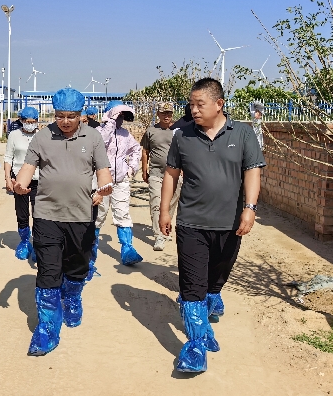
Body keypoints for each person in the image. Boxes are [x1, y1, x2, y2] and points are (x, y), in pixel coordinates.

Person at [159, 78, 266, 373]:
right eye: (191, 104)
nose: (193, 110)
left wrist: (250, 209)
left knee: (216, 280)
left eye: (199, 104)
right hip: (191, 223)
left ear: (219, 104)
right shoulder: (182, 136)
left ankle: (207, 315)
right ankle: (195, 348)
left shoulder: (243, 133)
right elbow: (171, 174)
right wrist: (164, 211)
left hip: (229, 223)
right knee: (192, 286)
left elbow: (252, 172)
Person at [13, 88, 113, 356]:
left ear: (81, 115)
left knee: (78, 265)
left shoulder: (93, 137)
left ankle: (72, 297)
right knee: (48, 270)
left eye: (71, 116)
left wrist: (103, 188)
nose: (65, 121)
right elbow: (28, 167)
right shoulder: (42, 136)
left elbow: (102, 170)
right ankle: (46, 329)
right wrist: (20, 184)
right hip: (47, 214)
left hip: (81, 215)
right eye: (60, 116)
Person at [94, 100, 143, 267]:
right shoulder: (98, 132)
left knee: (122, 214)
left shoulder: (125, 134)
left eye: (122, 116)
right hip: (100, 182)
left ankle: (128, 250)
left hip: (120, 181)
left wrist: (132, 168)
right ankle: (89, 252)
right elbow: (99, 143)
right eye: (118, 115)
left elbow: (136, 149)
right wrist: (110, 124)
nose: (120, 119)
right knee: (98, 216)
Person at [141, 102, 181, 251]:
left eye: (169, 113)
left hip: (175, 175)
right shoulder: (151, 131)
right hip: (156, 173)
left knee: (170, 204)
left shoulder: (178, 130)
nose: (166, 116)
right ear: (158, 114)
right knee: (156, 203)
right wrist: (144, 170)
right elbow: (145, 151)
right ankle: (159, 236)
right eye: (163, 113)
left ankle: (166, 229)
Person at [4, 106, 39, 261]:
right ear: (21, 120)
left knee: (39, 213)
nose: (30, 124)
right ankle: (25, 242)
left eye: (33, 121)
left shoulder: (41, 136)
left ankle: (38, 244)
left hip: (39, 179)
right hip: (19, 180)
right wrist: (7, 178)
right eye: (27, 121)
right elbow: (8, 157)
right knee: (22, 212)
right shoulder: (14, 135)